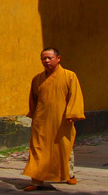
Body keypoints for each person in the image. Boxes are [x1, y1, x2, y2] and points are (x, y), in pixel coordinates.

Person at [22, 47, 84, 191]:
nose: (47, 61)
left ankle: (69, 174)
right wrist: (34, 115)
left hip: (61, 120)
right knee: (38, 150)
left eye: (50, 58)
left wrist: (72, 114)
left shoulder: (69, 76)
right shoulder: (37, 79)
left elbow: (75, 96)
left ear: (58, 58)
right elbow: (34, 100)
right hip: (41, 121)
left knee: (64, 147)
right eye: (44, 58)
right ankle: (37, 181)